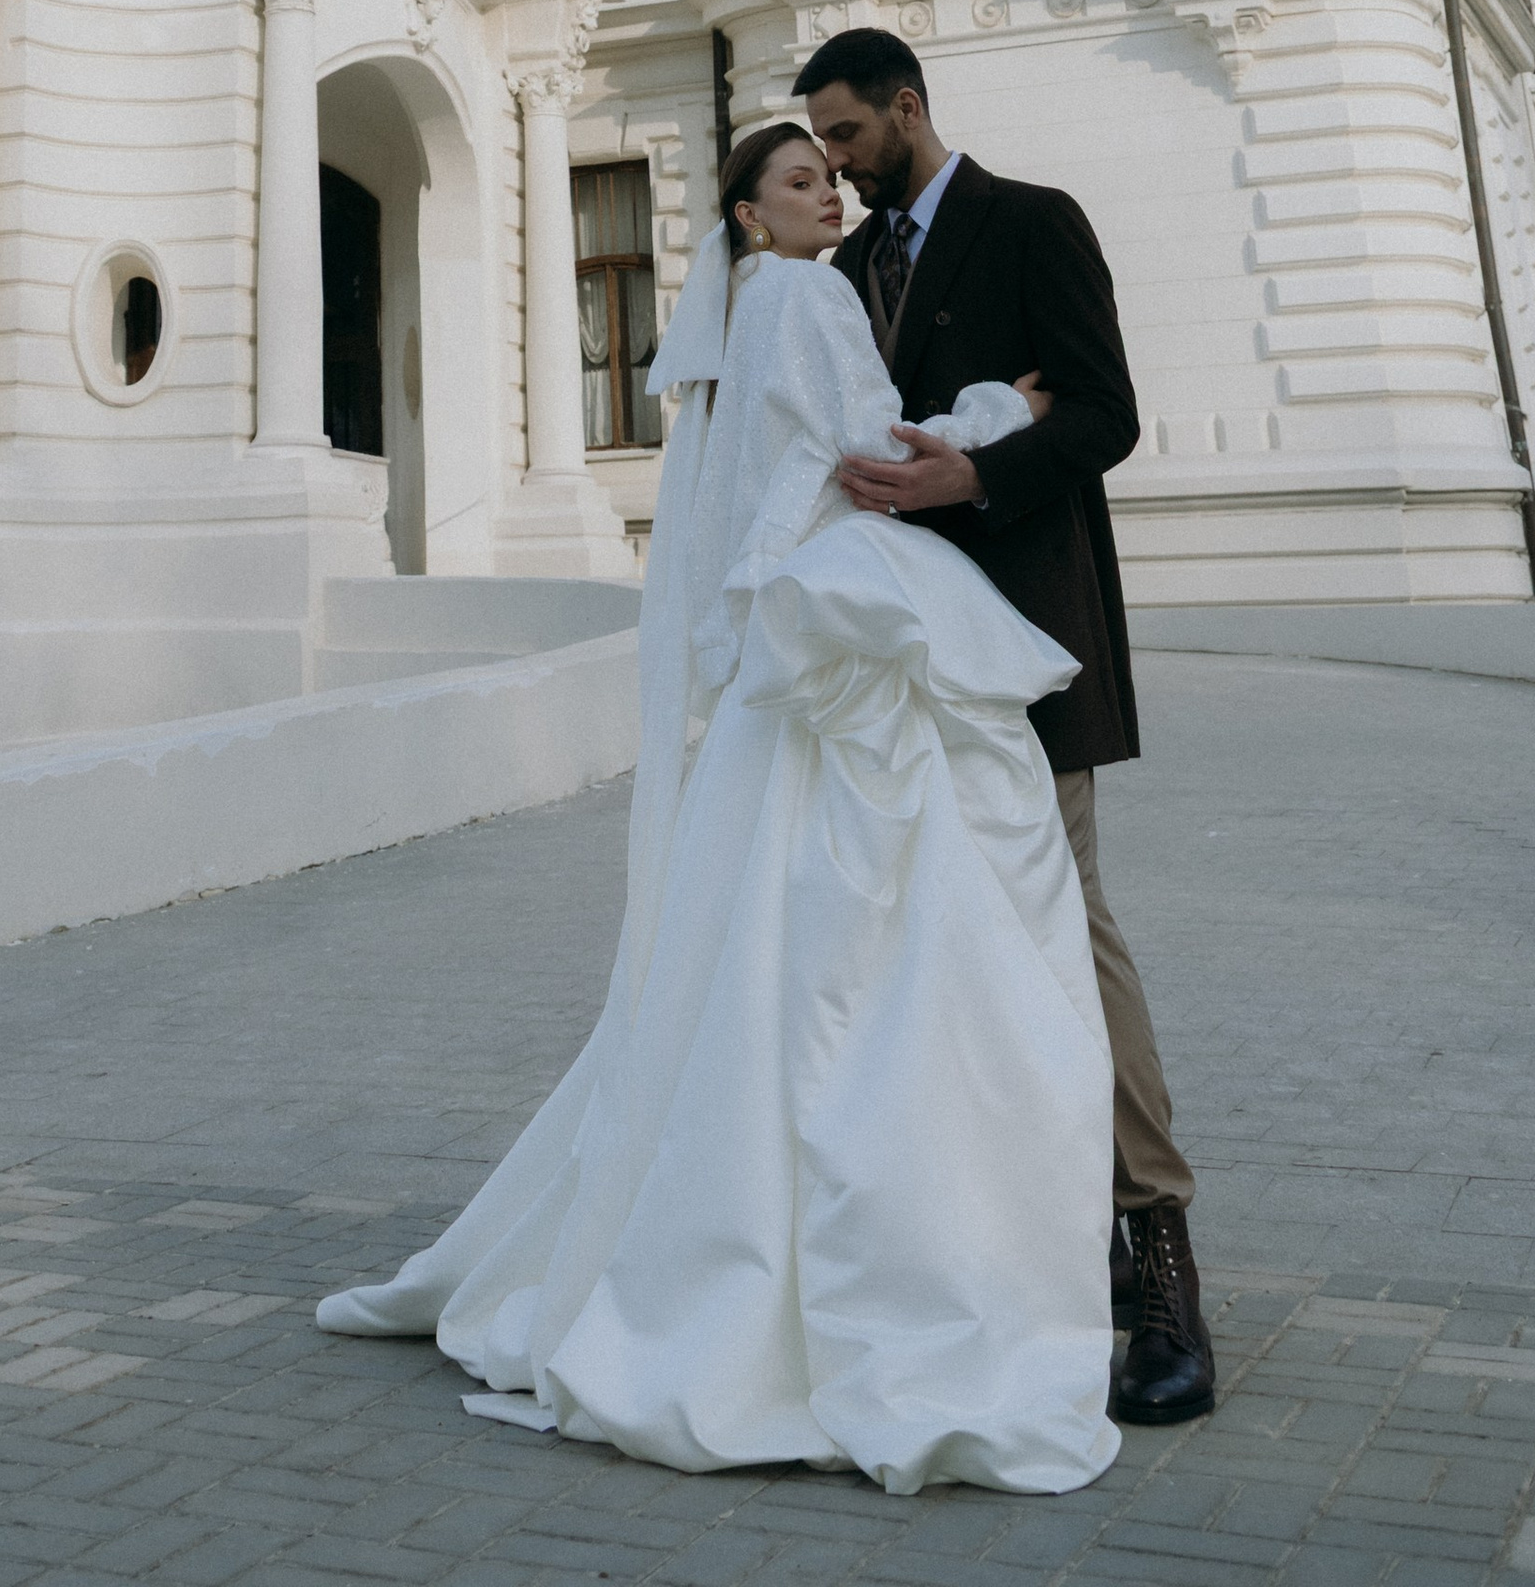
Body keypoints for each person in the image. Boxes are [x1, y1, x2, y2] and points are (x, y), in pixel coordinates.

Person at [317, 123, 1124, 1497]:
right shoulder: (808, 296)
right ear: (752, 219)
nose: (832, 198)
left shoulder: (755, 309)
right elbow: (874, 454)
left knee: (765, 942)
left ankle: (723, 1233)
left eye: (832, 178)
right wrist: (1004, 411)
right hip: (849, 630)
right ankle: (861, 1265)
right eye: (803, 184)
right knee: (880, 941)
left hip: (799, 642)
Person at [792, 25, 1213, 1427]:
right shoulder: (843, 275)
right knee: (931, 945)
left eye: (849, 136)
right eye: (821, 147)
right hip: (896, 665)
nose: (836, 170)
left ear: (909, 109)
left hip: (1029, 642)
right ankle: (1024, 1240)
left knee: (1070, 922)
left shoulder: (1032, 223)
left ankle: (1159, 1262)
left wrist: (980, 465)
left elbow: (1107, 413)